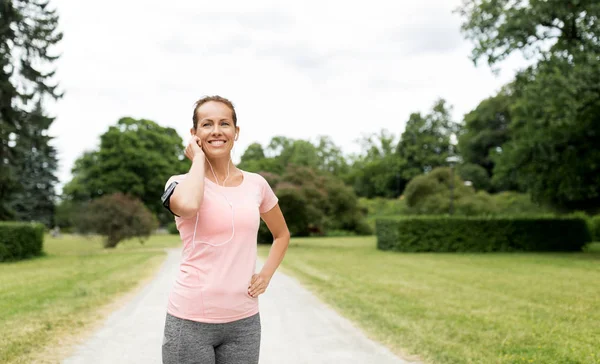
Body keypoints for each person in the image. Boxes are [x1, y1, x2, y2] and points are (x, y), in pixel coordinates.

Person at [161, 96, 290, 364]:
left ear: (236, 132)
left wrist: (265, 275)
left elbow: (281, 234)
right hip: (189, 321)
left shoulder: (257, 185)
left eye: (224, 123)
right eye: (207, 124)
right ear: (194, 134)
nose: (217, 131)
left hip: (243, 322)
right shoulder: (178, 184)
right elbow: (188, 206)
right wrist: (198, 160)